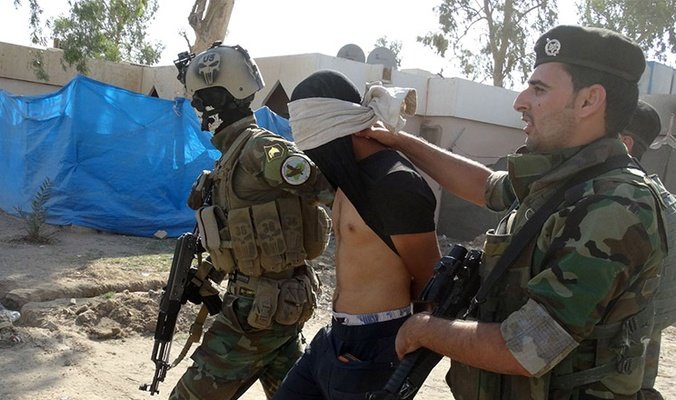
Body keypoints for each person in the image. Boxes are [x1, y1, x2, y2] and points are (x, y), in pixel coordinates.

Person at [358, 25, 668, 399]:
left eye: (539, 89)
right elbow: (485, 186)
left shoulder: (615, 204)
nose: (520, 101)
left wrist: (424, 329)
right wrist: (400, 141)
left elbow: (528, 346)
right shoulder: (562, 176)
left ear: (589, 101)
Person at [168, 43, 333, 400]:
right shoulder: (233, 156)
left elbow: (327, 190)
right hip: (270, 307)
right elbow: (246, 232)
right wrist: (208, 274)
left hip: (259, 312)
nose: (198, 113)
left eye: (199, 102)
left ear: (218, 100)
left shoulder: (259, 150)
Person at [272, 70, 441, 399]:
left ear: (335, 129)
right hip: (334, 336)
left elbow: (431, 283)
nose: (312, 155)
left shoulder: (395, 183)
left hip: (377, 346)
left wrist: (399, 349)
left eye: (315, 143)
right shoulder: (348, 178)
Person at [620, 100, 675, 400]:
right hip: (644, 339)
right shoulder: (663, 199)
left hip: (608, 359)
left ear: (625, 143)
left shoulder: (622, 200)